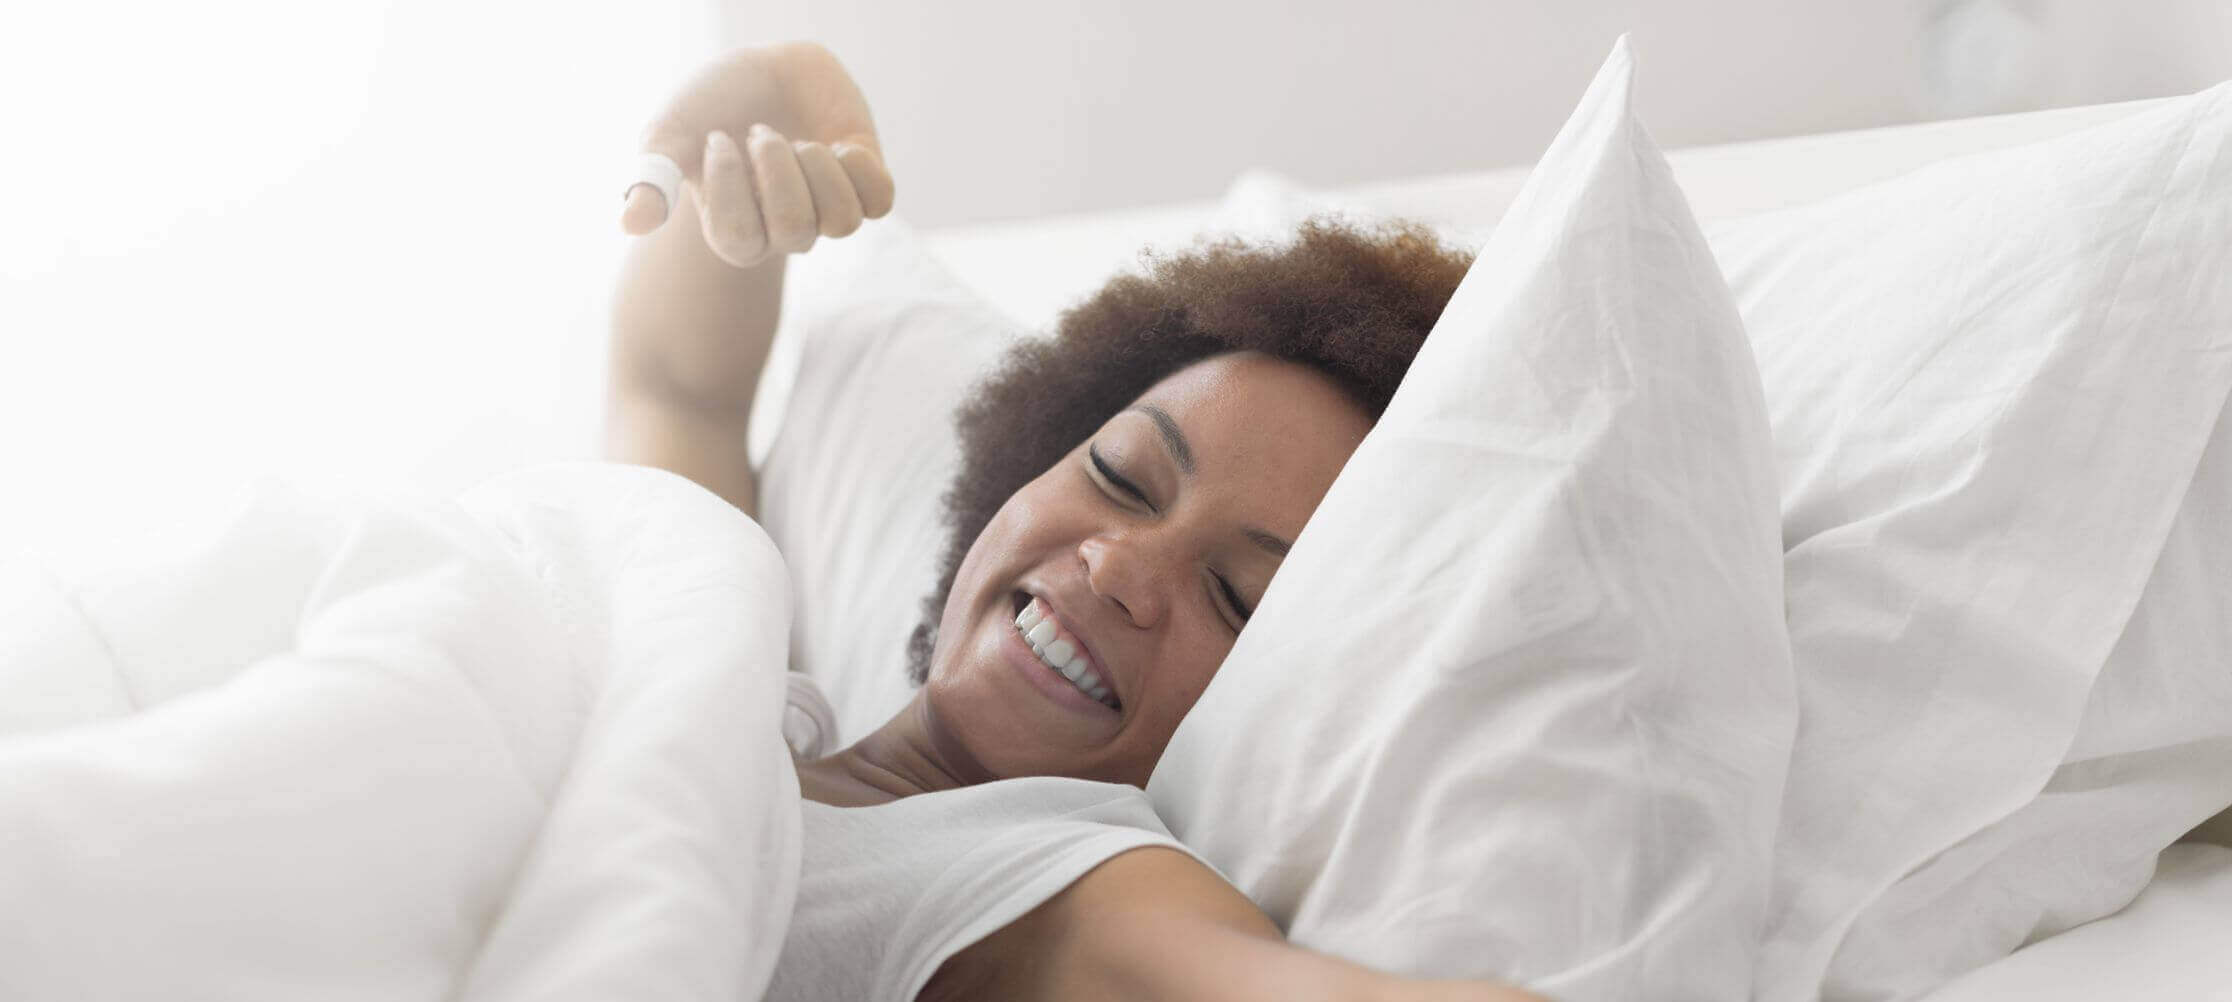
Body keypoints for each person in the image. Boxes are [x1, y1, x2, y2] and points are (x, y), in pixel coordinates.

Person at [608, 40, 1547, 1002]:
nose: (1118, 568)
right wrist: (751, 117)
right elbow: (682, 395)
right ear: (1025, 470)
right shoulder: (724, 672)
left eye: (1233, 597)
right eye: (1120, 477)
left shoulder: (1056, 882)